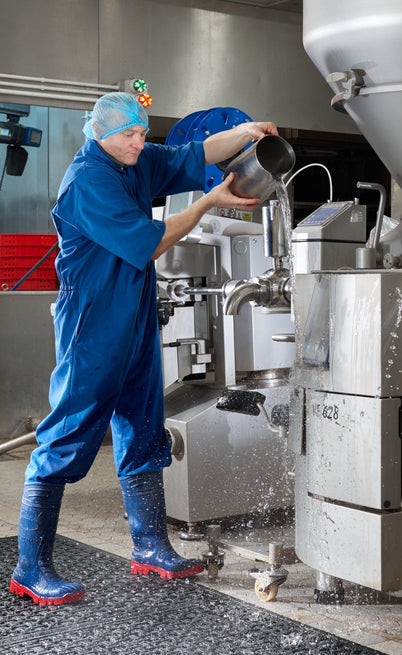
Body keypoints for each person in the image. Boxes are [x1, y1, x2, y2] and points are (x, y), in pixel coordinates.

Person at [10, 92, 277, 606]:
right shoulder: (89, 180)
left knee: (142, 422)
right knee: (67, 434)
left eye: (142, 132)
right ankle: (30, 567)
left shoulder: (135, 159)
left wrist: (246, 135)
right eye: (129, 135)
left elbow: (197, 152)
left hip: (133, 317)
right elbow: (149, 243)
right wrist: (205, 203)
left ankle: (151, 545)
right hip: (92, 324)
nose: (140, 142)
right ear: (100, 134)